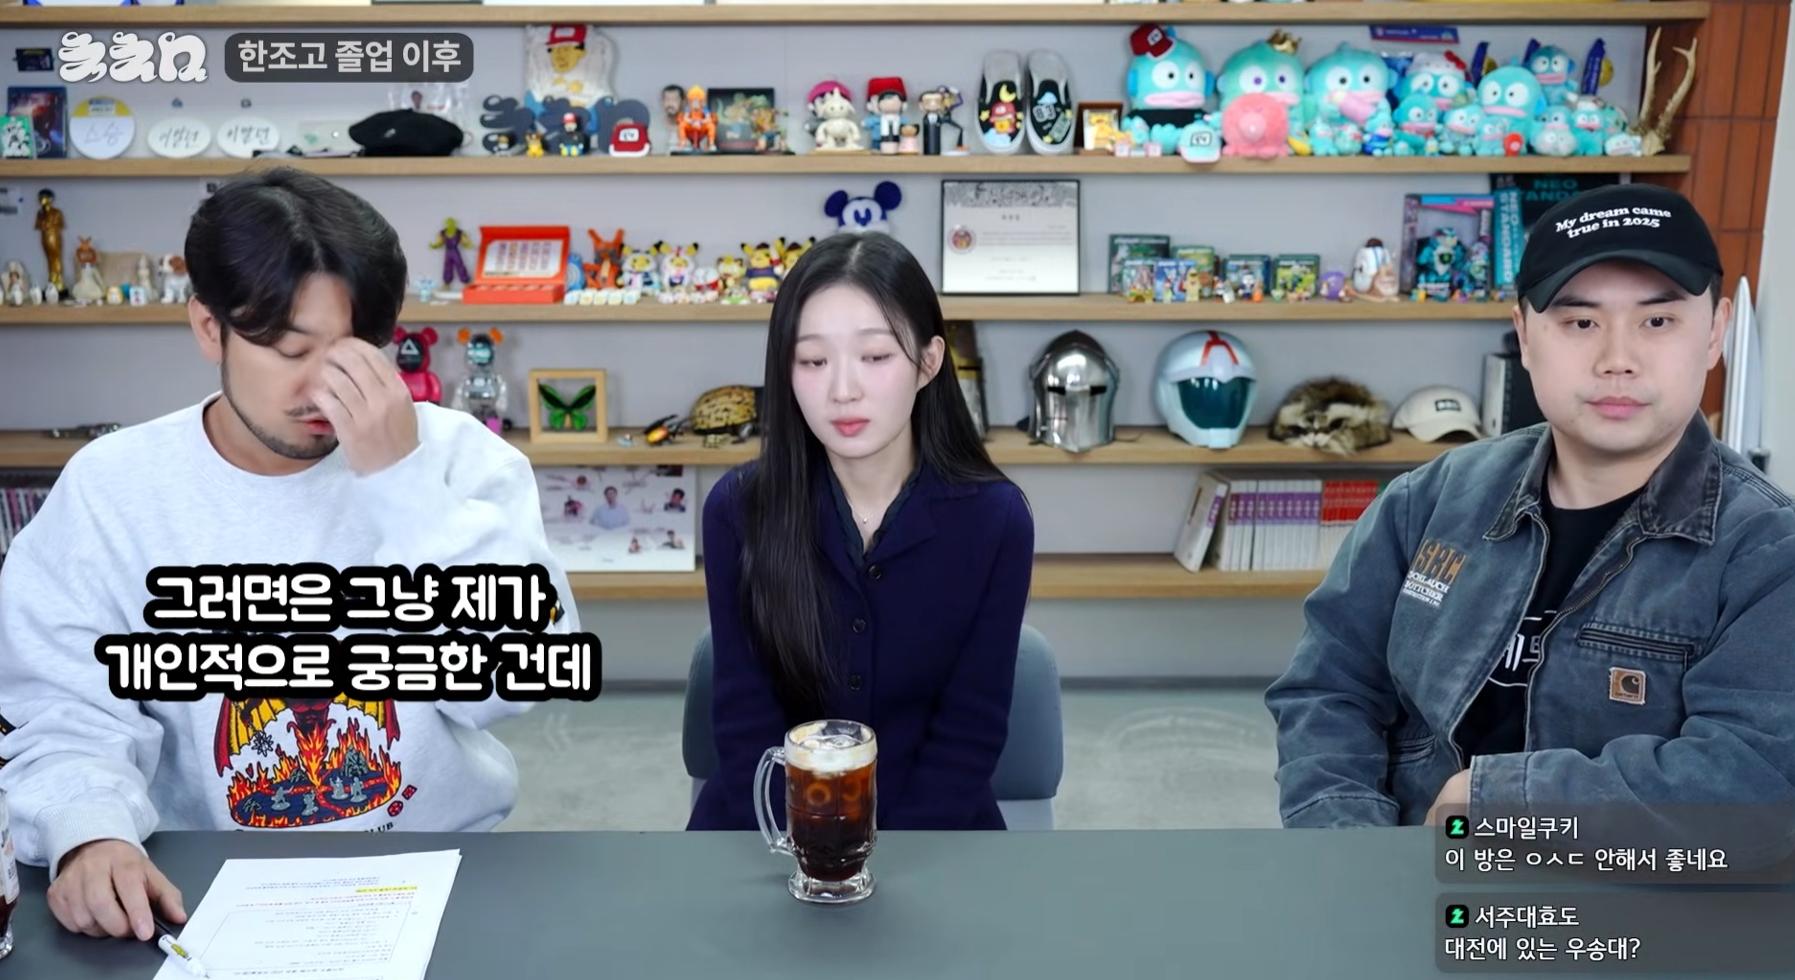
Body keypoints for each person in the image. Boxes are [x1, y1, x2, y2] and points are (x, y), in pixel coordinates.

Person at [0, 167, 578, 940]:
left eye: (356, 352)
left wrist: (402, 483)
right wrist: (90, 832)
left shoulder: (454, 459)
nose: (323, 389)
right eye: (289, 349)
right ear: (209, 328)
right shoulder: (114, 489)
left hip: (440, 864)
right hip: (195, 880)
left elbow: (511, 681)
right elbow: (63, 708)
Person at [1266, 184, 1795, 828]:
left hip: (1631, 886)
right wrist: (1349, 843)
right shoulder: (1428, 500)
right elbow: (1331, 689)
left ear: (1714, 333)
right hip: (1405, 867)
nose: (1618, 361)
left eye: (1658, 322)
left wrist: (1498, 803)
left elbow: (1755, 779)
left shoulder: (1770, 552)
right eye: (1580, 323)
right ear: (1523, 334)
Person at [687, 232, 1034, 832]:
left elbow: (969, 733)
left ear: (929, 362)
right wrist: (810, 854)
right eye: (813, 361)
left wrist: (884, 862)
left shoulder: (996, 519)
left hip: (937, 833)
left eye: (875, 357)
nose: (842, 390)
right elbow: (745, 726)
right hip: (768, 829)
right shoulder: (738, 510)